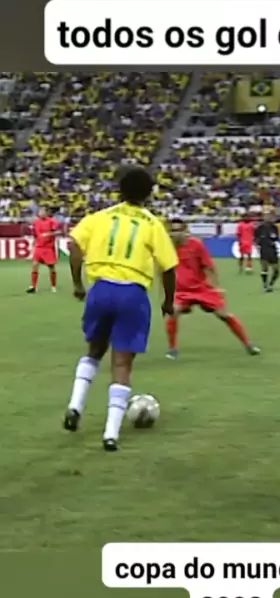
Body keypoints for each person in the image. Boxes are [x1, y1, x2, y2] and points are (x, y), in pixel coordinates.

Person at [64, 166, 178, 452]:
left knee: (94, 351)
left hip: (101, 289)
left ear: (119, 189)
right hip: (132, 293)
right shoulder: (152, 224)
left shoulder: (100, 217)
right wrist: (167, 301)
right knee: (122, 363)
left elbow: (73, 245)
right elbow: (169, 268)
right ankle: (110, 434)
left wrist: (78, 283)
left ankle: (75, 405)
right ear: (149, 194)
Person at [165, 219, 260, 359]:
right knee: (172, 313)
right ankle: (172, 349)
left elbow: (209, 267)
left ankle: (248, 344)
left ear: (185, 232)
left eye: (177, 230)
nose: (174, 234)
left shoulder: (196, 245)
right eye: (172, 231)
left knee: (225, 315)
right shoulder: (166, 247)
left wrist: (217, 287)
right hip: (182, 291)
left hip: (202, 289)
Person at [27, 207, 62, 293]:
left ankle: (53, 286)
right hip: (39, 247)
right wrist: (32, 247)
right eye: (40, 212)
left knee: (51, 267)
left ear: (46, 213)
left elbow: (59, 232)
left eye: (43, 212)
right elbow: (35, 235)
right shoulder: (36, 222)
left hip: (48, 248)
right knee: (34, 265)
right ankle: (33, 286)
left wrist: (48, 234)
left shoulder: (52, 221)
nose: (41, 213)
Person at [254, 209, 280, 293]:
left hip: (272, 250)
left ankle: (271, 284)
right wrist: (257, 247)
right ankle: (265, 285)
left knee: (276, 270)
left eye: (270, 216)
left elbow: (276, 238)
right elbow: (255, 239)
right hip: (264, 250)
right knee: (264, 269)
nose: (268, 217)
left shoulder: (274, 227)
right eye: (266, 216)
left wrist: (273, 240)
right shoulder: (259, 228)